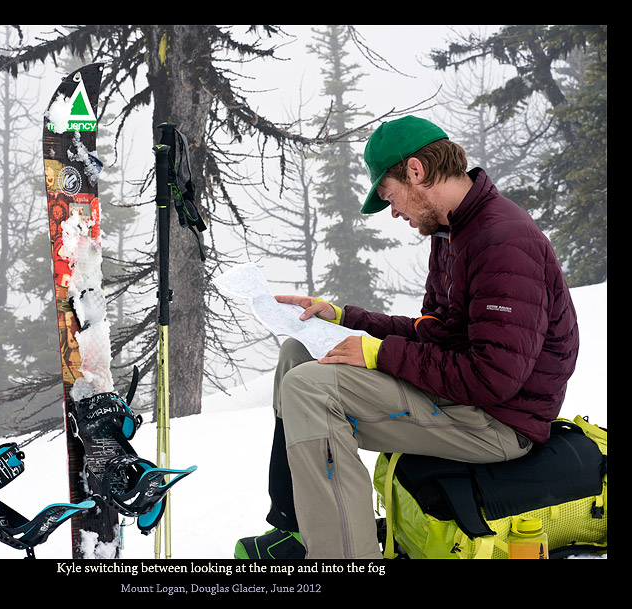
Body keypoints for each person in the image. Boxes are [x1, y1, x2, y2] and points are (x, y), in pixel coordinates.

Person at [234, 115, 579, 559]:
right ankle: (297, 529)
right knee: (296, 356)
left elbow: (495, 377)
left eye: (390, 196)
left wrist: (378, 354)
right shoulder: (451, 233)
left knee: (310, 390)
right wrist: (343, 317)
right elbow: (431, 332)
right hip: (465, 402)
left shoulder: (503, 241)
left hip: (499, 422)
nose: (394, 211)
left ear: (415, 172)